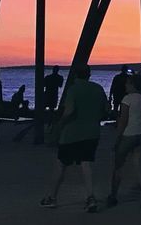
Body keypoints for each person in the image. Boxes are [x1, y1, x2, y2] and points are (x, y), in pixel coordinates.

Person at [41, 64, 107, 212]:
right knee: (86, 163)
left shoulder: (73, 89)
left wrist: (60, 124)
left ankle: (52, 197)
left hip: (72, 133)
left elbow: (69, 111)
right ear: (89, 74)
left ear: (76, 75)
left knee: (61, 164)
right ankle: (90, 197)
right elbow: (106, 110)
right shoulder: (98, 89)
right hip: (92, 132)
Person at [108, 74, 141, 209]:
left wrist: (118, 137)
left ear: (133, 85)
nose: (125, 86)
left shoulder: (127, 99)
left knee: (118, 165)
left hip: (130, 134)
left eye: (128, 83)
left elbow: (123, 120)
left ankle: (113, 195)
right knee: (137, 163)